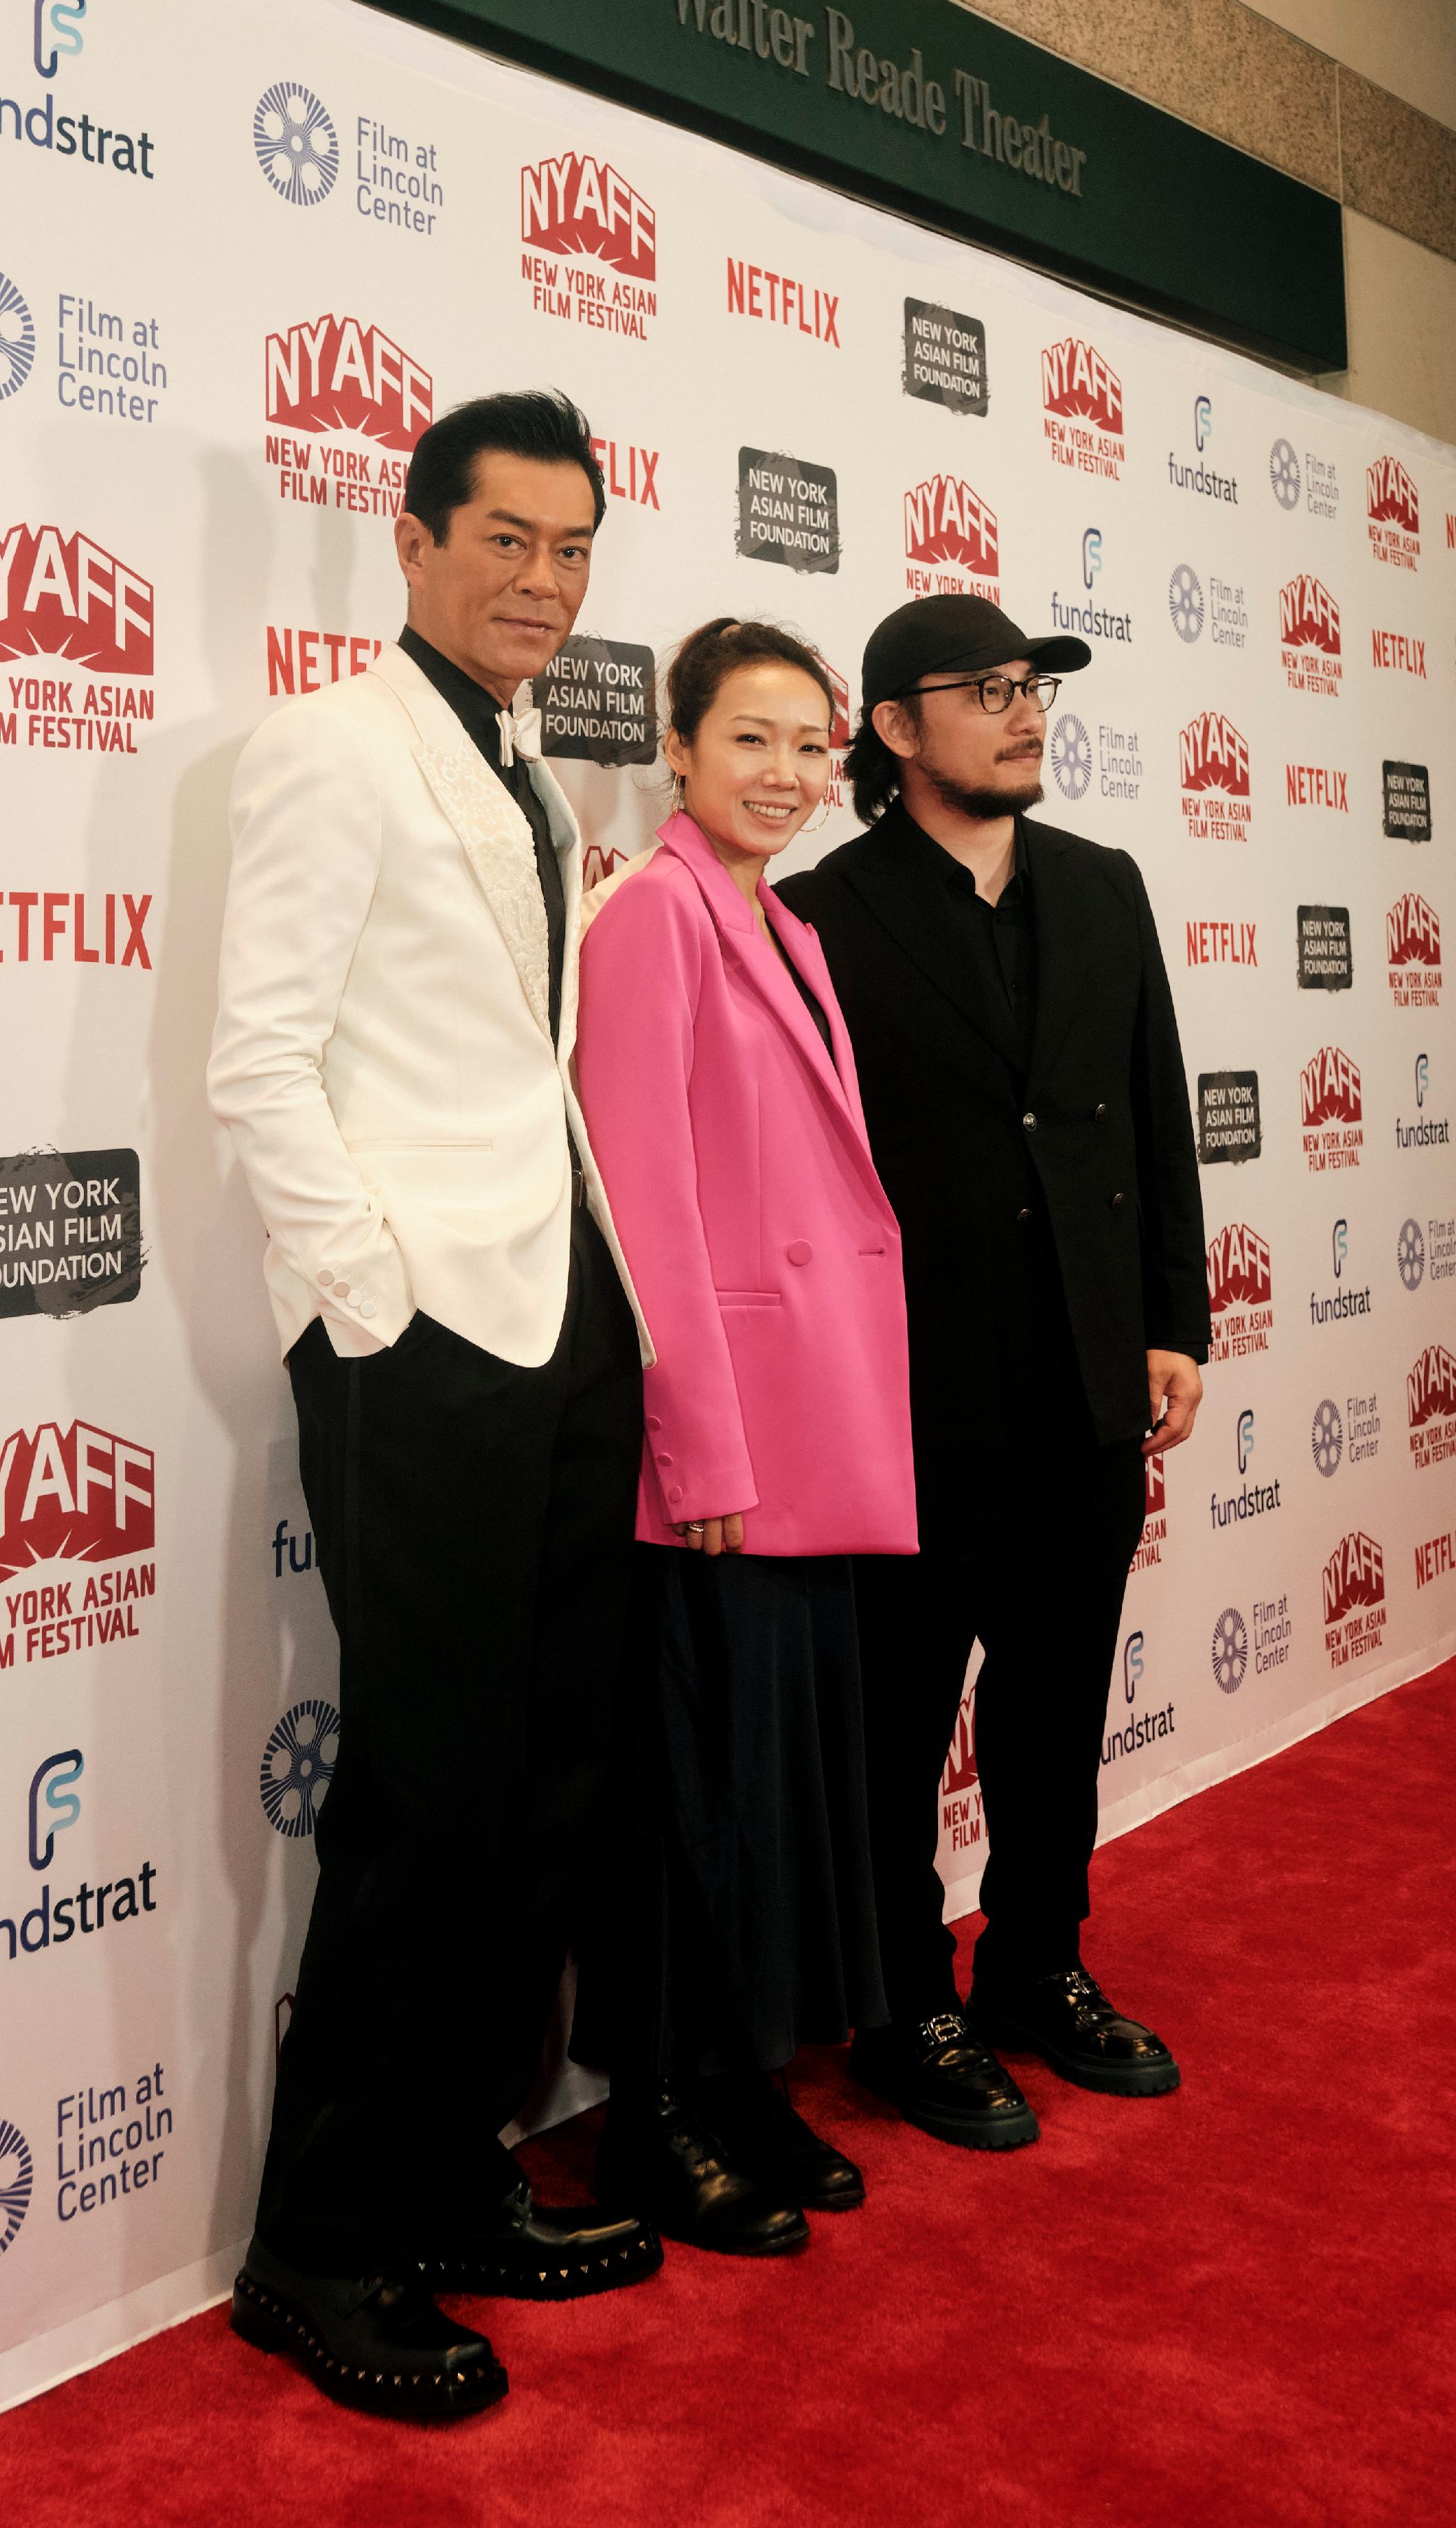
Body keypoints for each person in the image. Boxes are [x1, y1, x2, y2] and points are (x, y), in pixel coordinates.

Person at [208, 390, 661, 2425]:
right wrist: (376, 1313)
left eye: (571, 550)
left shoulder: (541, 780)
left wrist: (574, 1321)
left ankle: (455, 2171)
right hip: (430, 1348)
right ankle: (316, 2245)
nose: (543, 585)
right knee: (427, 1795)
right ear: (410, 538)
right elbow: (259, 1065)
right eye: (506, 541)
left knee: (549, 1780)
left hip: (566, 1325)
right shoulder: (330, 745)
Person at [781, 594, 1208, 2151]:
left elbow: (1150, 1113)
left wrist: (1176, 1316)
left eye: (1032, 688)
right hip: (912, 1397)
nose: (1024, 714)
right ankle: (902, 2002)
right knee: (898, 1722)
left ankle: (1038, 1960)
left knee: (1051, 1704)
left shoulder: (1104, 887)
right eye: (984, 691)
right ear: (894, 730)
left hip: (1090, 1379)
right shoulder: (822, 913)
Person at [572, 618, 918, 2255]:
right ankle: (652, 2110)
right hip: (719, 1454)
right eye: (751, 741)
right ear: (679, 753)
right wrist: (695, 1452)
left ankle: (741, 2078)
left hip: (816, 1430)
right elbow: (641, 1200)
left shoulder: (784, 924)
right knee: (690, 1800)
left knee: (775, 1788)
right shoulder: (649, 919)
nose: (786, 773)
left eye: (809, 744)